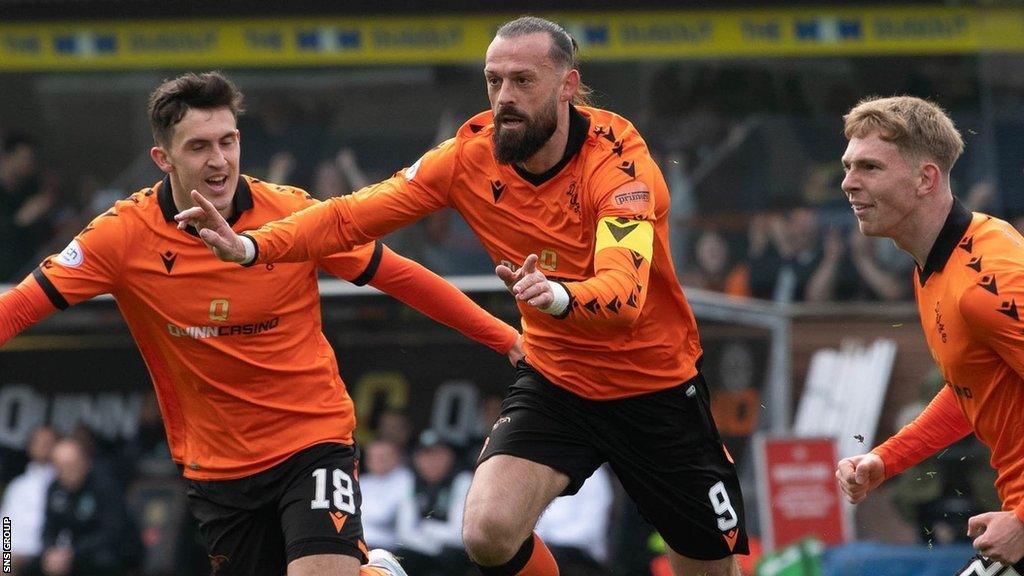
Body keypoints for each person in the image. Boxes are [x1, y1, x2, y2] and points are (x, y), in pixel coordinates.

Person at [177, 17, 748, 576]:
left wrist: (556, 298)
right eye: (494, 80)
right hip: (558, 378)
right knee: (487, 534)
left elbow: (624, 295)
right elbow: (351, 216)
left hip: (656, 387)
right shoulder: (468, 155)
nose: (505, 97)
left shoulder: (619, 163)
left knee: (709, 568)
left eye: (523, 81)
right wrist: (253, 247)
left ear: (568, 86)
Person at [0, 71, 524, 576]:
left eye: (228, 142)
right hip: (217, 469)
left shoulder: (291, 214)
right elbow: (21, 306)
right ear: (163, 159)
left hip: (312, 441)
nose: (219, 160)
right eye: (199, 146)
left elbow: (402, 277)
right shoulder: (119, 237)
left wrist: (505, 338)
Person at [833, 96, 1024, 572]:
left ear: (925, 179)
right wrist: (888, 459)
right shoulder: (937, 263)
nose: (848, 183)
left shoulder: (987, 279)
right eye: (848, 165)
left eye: (870, 167)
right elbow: (972, 389)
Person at [25, 437, 141, 576]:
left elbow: (112, 532)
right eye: (61, 467)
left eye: (72, 465)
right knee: (32, 566)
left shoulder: (105, 485)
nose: (68, 471)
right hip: (72, 551)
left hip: (112, 550)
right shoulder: (55, 489)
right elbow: (49, 527)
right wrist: (50, 551)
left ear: (85, 462)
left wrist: (72, 553)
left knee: (100, 562)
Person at [0, 426, 57, 572]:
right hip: (13, 552)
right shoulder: (18, 485)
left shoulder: (62, 484)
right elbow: (7, 523)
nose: (43, 447)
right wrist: (6, 553)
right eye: (39, 442)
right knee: (4, 566)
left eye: (49, 442)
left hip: (47, 553)